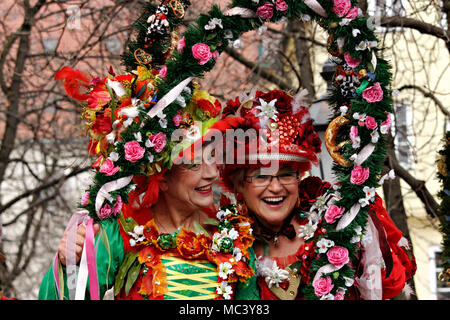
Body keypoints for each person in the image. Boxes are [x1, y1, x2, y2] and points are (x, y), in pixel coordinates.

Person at [38, 84, 258, 300]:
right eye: (194, 165)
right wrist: (69, 262)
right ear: (160, 177)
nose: (211, 174)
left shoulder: (233, 236)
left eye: (212, 158)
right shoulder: (122, 235)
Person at [216, 89, 417, 300]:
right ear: (239, 184)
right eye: (261, 177)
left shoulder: (335, 222)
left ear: (299, 176)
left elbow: (391, 284)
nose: (275, 187)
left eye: (285, 175)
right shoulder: (225, 244)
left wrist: (360, 229)